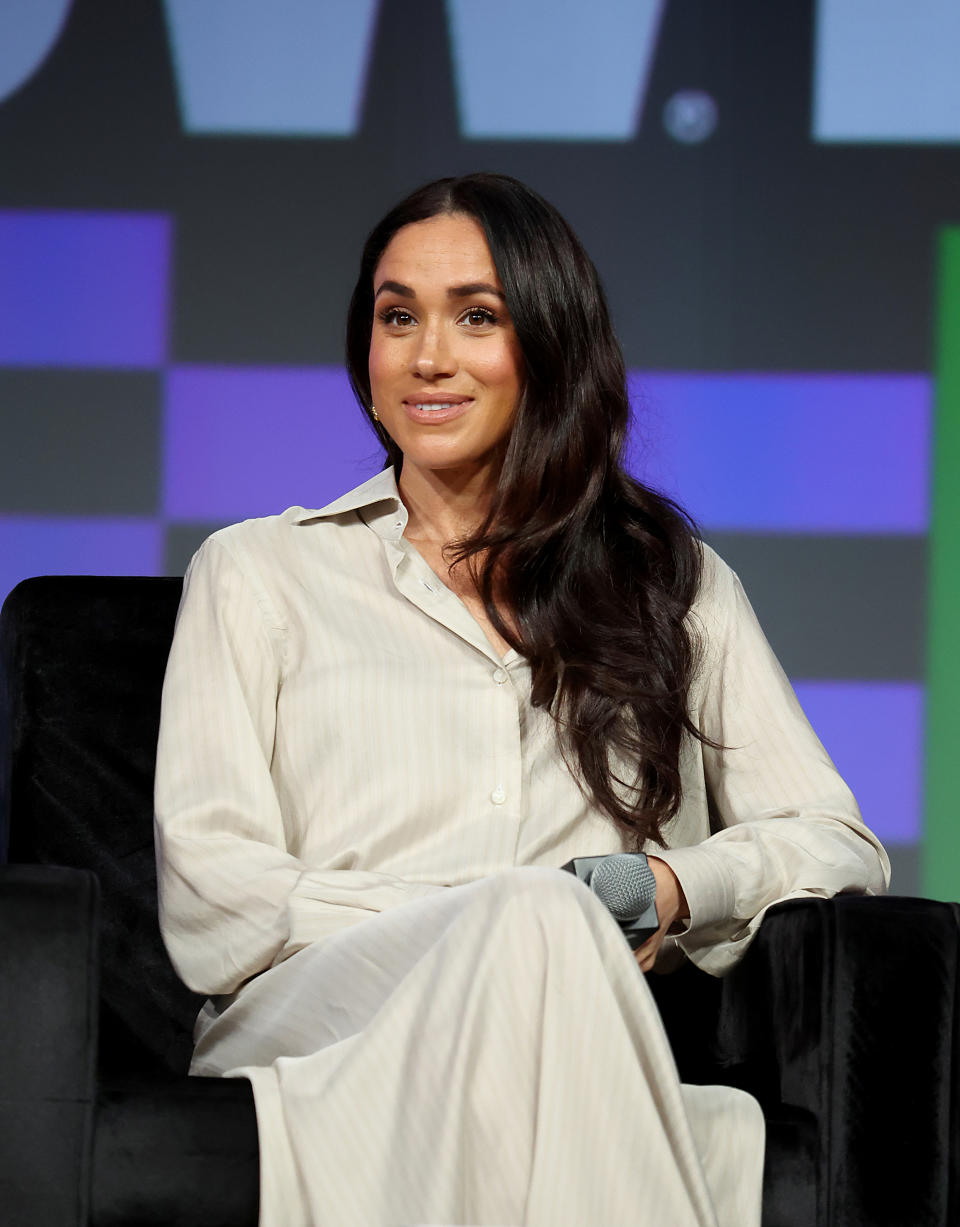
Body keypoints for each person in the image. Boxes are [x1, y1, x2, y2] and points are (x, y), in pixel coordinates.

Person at [153, 172, 889, 1227]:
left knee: (549, 967)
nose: (427, 356)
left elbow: (838, 844)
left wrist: (669, 888)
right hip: (320, 1018)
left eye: (477, 318)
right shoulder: (259, 572)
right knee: (549, 931)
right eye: (396, 316)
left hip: (565, 1035)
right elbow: (215, 905)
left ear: (549, 349)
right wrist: (506, 917)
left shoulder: (671, 583)